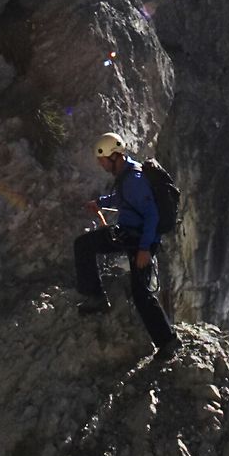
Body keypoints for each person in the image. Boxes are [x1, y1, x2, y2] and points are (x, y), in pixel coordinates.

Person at [75, 130, 175, 356]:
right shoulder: (126, 176)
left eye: (102, 160)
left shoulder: (135, 180)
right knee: (84, 245)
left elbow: (152, 216)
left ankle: (168, 342)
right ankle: (96, 297)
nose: (101, 165)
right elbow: (121, 199)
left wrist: (144, 250)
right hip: (128, 234)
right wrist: (100, 203)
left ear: (114, 156)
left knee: (142, 294)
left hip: (141, 241)